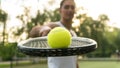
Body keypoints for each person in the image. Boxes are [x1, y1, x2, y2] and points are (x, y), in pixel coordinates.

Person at [29, 0, 79, 68]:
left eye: (72, 7)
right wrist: (42, 29)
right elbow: (33, 32)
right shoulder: (54, 27)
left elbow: (74, 61)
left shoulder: (74, 34)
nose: (70, 10)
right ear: (60, 10)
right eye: (66, 7)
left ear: (74, 11)